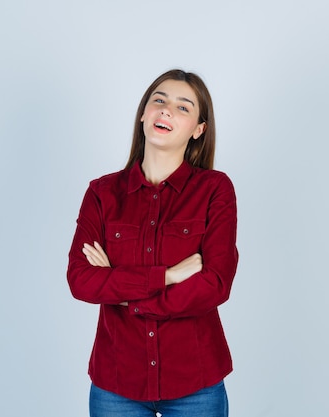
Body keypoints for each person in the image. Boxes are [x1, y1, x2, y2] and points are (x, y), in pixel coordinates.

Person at [67, 69, 238, 417]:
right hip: (117, 383)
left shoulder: (215, 190)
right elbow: (81, 280)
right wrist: (168, 276)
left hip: (195, 383)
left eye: (183, 107)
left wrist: (123, 293)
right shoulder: (101, 194)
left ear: (198, 130)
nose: (166, 110)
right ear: (144, 113)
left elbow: (215, 284)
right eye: (158, 100)